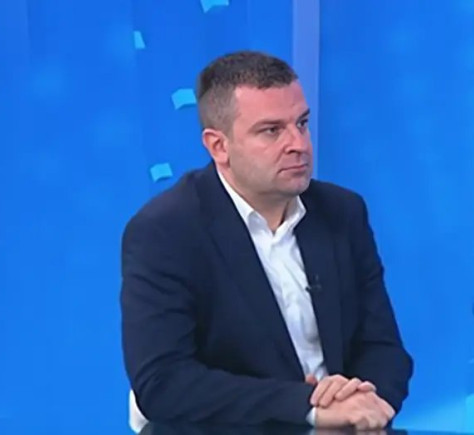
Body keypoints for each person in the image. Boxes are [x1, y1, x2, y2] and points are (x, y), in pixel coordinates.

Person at [120, 50, 413, 432]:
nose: (299, 144)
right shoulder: (166, 232)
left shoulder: (342, 212)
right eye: (272, 131)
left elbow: (384, 349)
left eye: (302, 123)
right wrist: (306, 406)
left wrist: (366, 400)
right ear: (218, 146)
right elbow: (163, 382)